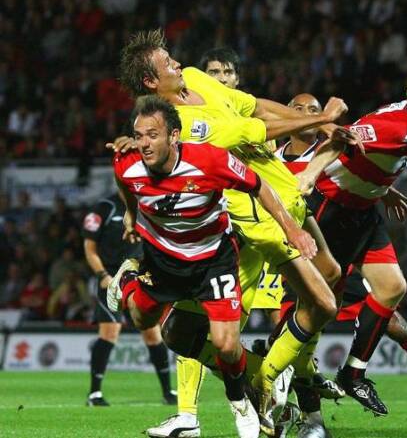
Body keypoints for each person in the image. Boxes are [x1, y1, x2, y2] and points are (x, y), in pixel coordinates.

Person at [130, 44, 346, 437]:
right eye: (167, 63)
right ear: (150, 81)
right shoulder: (184, 124)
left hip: (283, 199)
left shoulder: (195, 78)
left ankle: (265, 385)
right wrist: (319, 119)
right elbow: (254, 131)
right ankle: (261, 386)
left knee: (322, 292)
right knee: (319, 301)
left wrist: (320, 124)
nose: (178, 62)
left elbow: (255, 108)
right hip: (247, 216)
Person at [108, 95, 317, 438]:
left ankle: (239, 402)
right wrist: (131, 213)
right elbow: (124, 183)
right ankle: (130, 275)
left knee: (225, 344)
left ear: (174, 136)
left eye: (153, 135)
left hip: (213, 260)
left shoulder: (209, 161)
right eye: (139, 135)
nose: (144, 144)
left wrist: (291, 229)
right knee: (142, 319)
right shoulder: (126, 163)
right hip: (164, 261)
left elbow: (260, 185)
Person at [278, 92, 407, 436]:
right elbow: (345, 142)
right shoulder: (277, 159)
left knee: (394, 295)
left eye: (313, 111)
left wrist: (381, 187)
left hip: (360, 217)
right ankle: (308, 420)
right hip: (325, 221)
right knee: (301, 322)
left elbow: (351, 147)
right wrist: (311, 175)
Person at [82, 192, 176, 406]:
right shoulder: (105, 208)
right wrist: (103, 276)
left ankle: (168, 392)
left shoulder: (147, 205)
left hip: (138, 275)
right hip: (111, 278)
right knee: (109, 332)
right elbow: (90, 248)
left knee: (152, 334)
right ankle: (94, 393)